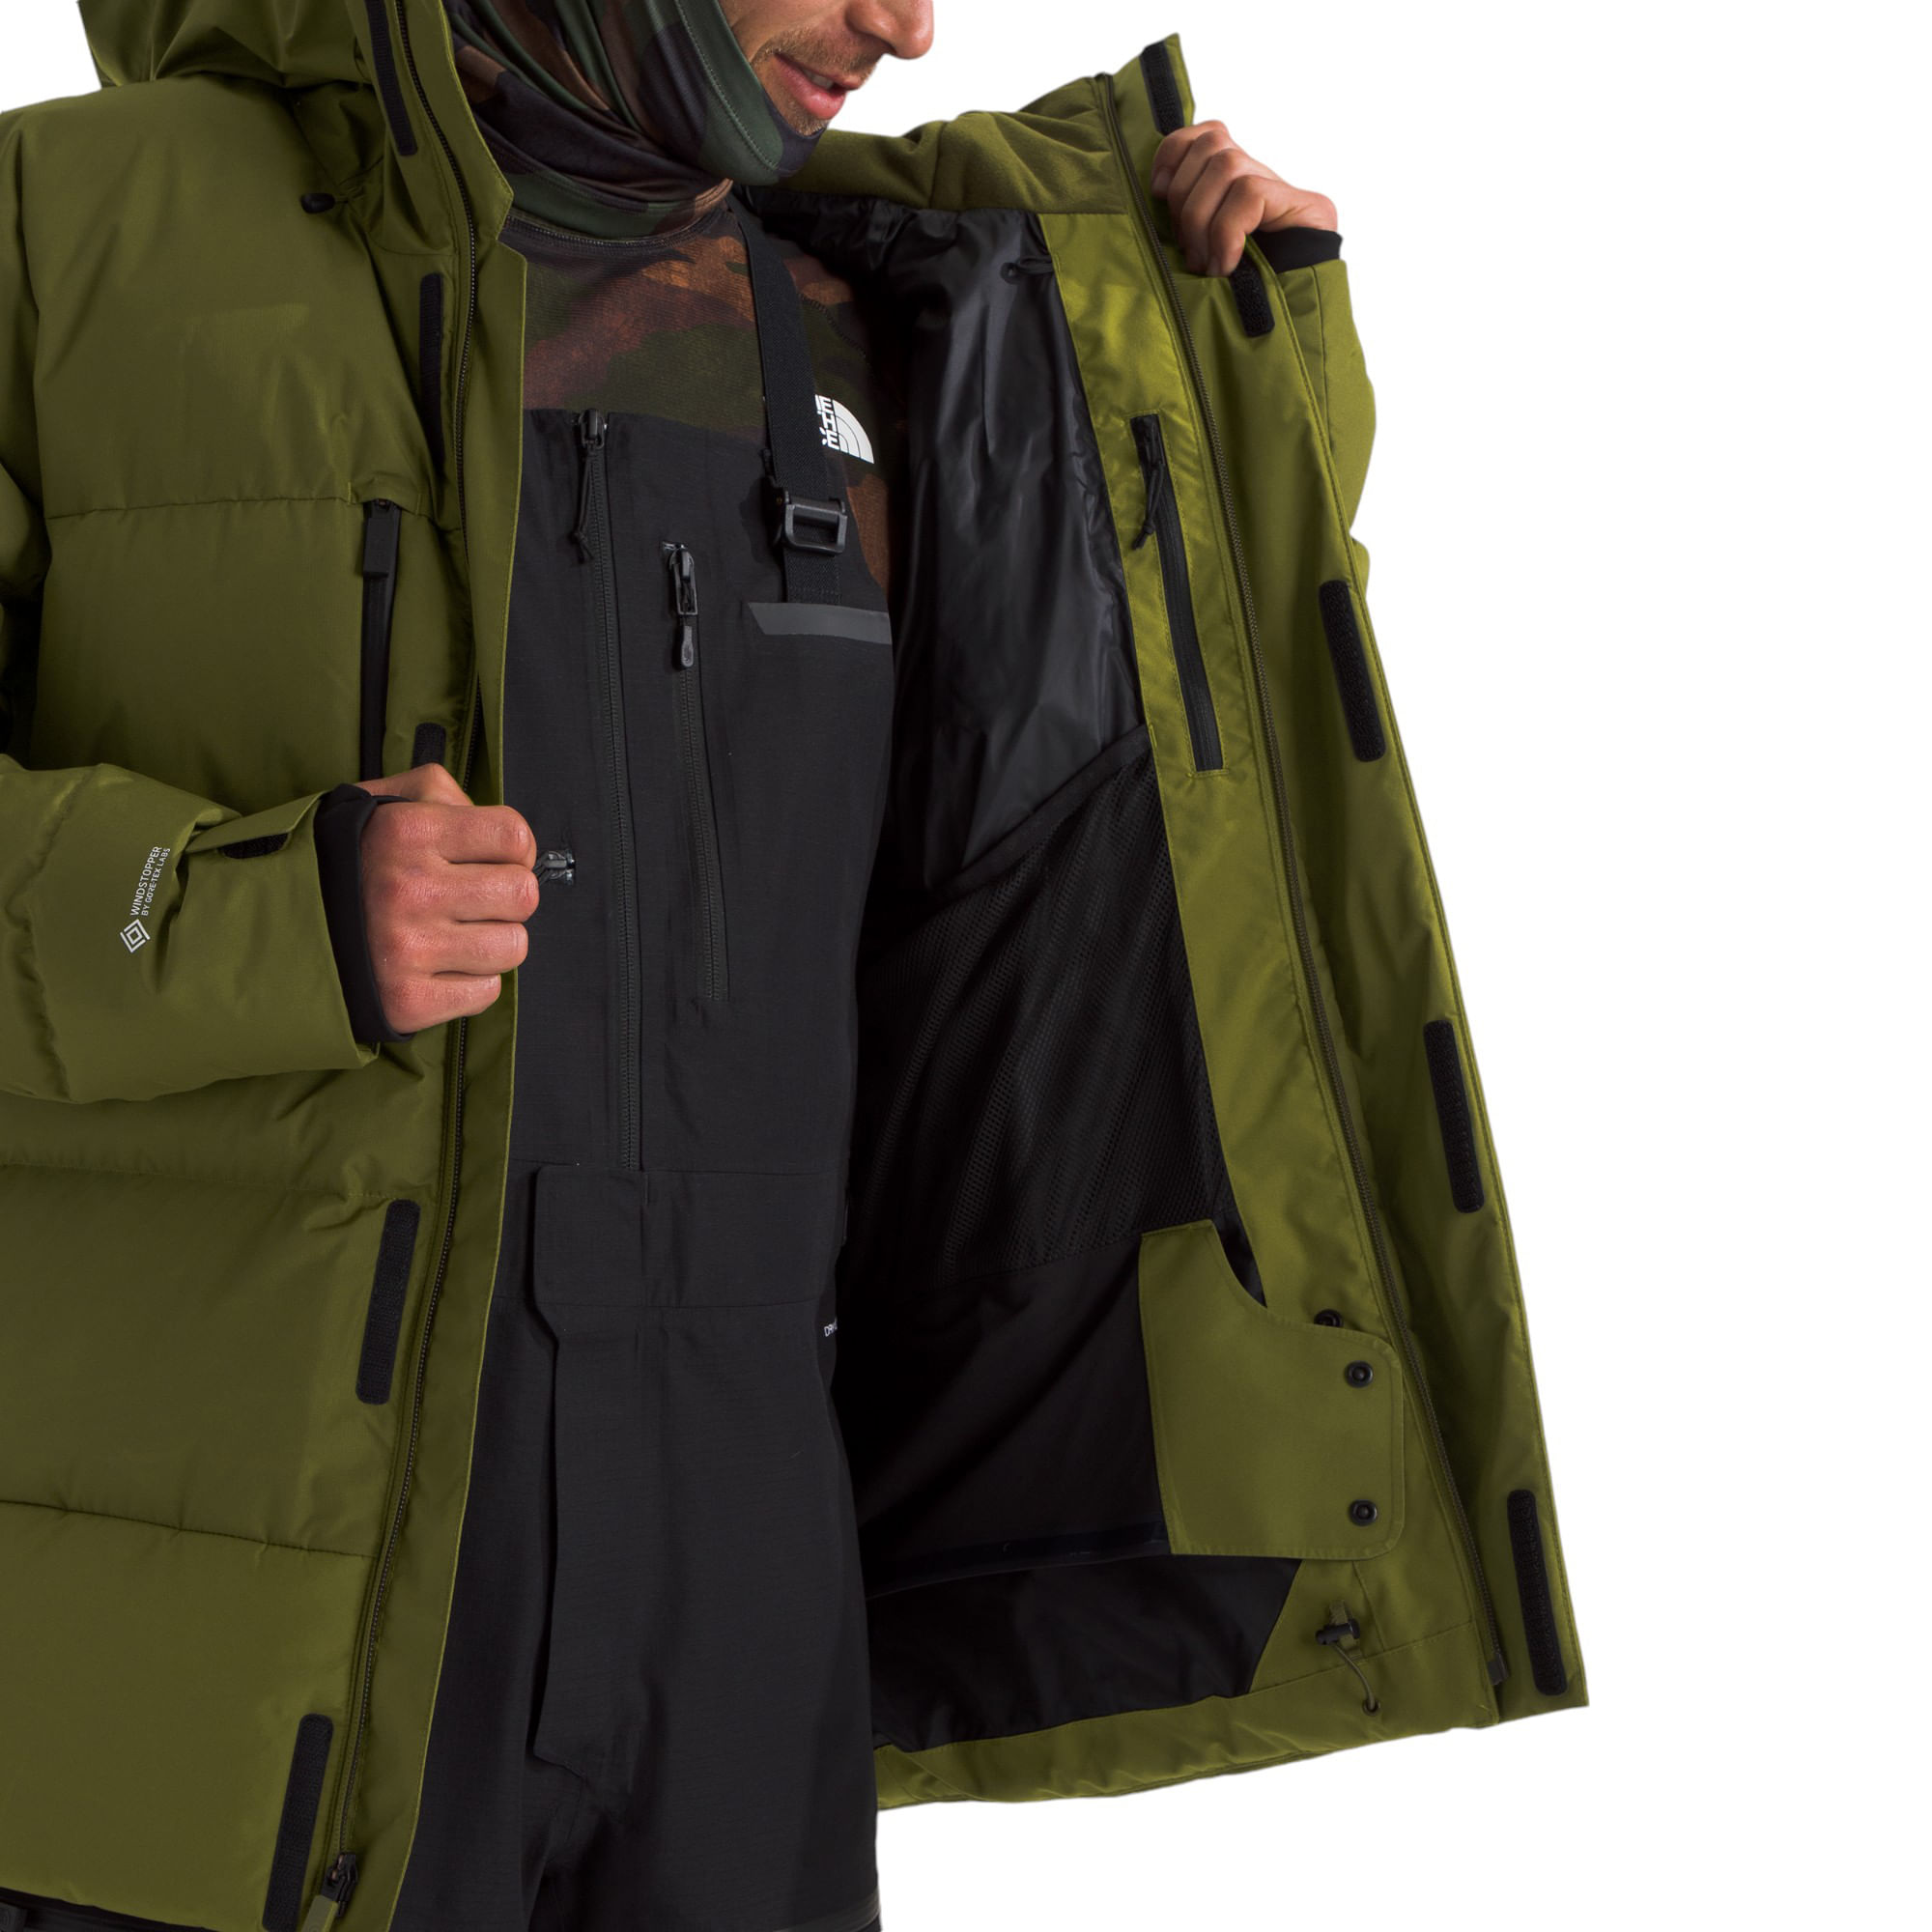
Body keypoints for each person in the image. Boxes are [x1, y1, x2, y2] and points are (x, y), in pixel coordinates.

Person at [0, 6, 1583, 1932]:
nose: (905, 27)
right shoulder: (70, 232)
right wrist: (243, 914)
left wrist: (1241, 372)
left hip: (749, 1580)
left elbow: (1143, 816)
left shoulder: (878, 316)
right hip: (242, 1616)